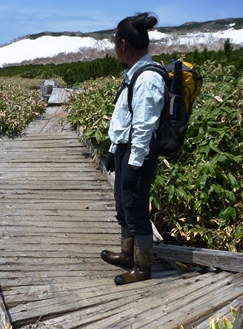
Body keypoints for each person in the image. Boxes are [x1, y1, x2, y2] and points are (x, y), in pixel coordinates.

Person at [101, 12, 165, 285]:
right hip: (126, 151)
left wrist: (134, 164)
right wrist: (115, 151)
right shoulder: (135, 72)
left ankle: (143, 268)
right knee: (124, 206)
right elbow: (127, 119)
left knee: (136, 210)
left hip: (139, 154)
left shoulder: (148, 78)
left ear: (123, 44)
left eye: (115, 41)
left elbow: (144, 126)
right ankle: (128, 254)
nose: (114, 46)